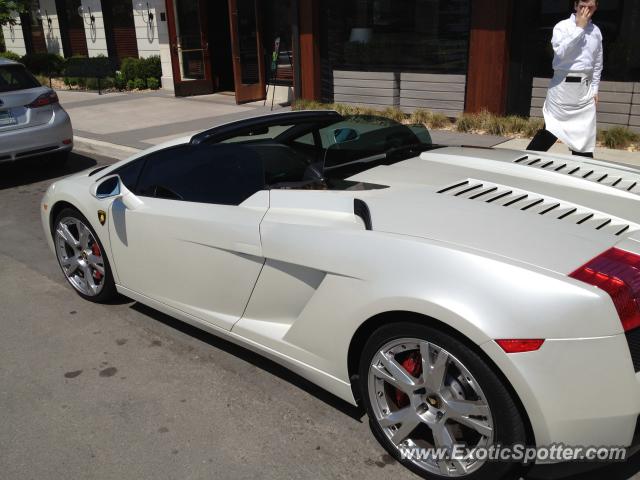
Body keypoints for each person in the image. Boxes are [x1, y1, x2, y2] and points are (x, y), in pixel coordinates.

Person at [527, 0, 603, 158]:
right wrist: (579, 28)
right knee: (550, 130)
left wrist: (595, 89)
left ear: (596, 8)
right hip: (562, 88)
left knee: (583, 136)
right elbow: (561, 53)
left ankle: (582, 175)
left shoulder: (596, 32)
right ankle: (523, 164)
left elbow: (597, 64)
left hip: (584, 91)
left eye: (590, 7)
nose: (586, 11)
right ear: (575, 5)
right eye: (582, 6)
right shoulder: (562, 27)